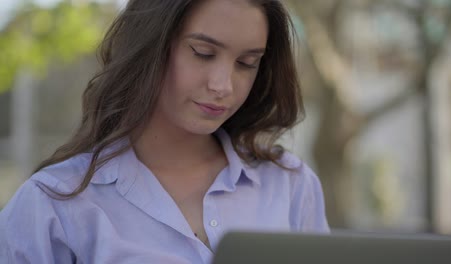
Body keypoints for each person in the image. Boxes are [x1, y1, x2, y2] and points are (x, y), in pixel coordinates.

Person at [0, 0, 329, 263]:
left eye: (246, 63)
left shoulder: (290, 184)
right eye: (203, 53)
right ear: (149, 45)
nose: (223, 86)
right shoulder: (52, 204)